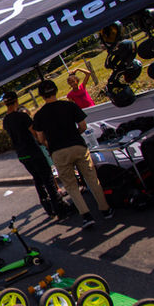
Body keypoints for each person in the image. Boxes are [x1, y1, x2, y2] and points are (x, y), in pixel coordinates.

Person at [31, 79, 113, 228]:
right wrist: (75, 134)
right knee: (92, 179)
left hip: (58, 152)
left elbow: (41, 139)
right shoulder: (69, 105)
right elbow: (83, 126)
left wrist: (50, 144)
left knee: (71, 185)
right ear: (56, 90)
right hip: (77, 145)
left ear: (41, 96)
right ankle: (105, 209)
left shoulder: (39, 115)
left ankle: (86, 216)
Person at [1, 90, 66, 218]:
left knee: (37, 179)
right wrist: (45, 143)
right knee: (47, 178)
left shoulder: (6, 121)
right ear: (16, 101)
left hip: (22, 154)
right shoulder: (22, 116)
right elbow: (35, 133)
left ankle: (48, 207)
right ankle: (60, 208)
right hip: (33, 151)